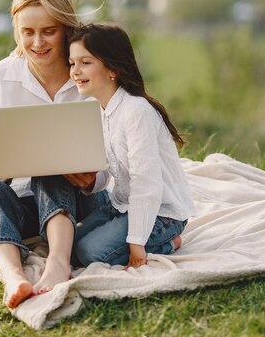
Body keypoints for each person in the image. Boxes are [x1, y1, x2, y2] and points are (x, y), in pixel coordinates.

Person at [0, 0, 107, 309]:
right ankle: (13, 276)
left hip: (80, 204)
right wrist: (1, 171)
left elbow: (116, 166)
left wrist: (92, 178)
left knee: (50, 169)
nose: (37, 42)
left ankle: (58, 263)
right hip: (20, 207)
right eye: (28, 32)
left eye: (48, 31)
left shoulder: (89, 75)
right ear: (17, 32)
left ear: (66, 29)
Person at [67, 23, 195, 268]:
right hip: (122, 205)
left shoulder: (136, 111)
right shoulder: (99, 109)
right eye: (72, 63)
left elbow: (146, 183)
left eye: (85, 62)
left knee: (89, 253)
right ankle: (135, 237)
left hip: (161, 213)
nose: (75, 71)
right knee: (67, 245)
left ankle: (168, 243)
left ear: (112, 68)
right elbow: (109, 167)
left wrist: (137, 246)